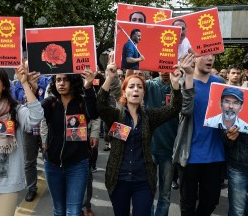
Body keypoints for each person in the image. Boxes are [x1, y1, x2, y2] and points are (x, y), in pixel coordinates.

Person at [96, 62, 183, 216]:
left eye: (140, 87)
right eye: (131, 86)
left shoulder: (150, 117)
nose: (135, 89)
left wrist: (175, 85)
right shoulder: (116, 116)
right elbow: (101, 104)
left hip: (143, 182)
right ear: (124, 91)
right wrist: (109, 78)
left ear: (143, 92)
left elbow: (174, 108)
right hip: (118, 180)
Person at [0, 65, 44, 216]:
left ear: (4, 86)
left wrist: (24, 83)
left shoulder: (15, 110)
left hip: (7, 183)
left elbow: (36, 117)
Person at [173, 54, 225, 216]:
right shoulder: (182, 82)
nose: (210, 58)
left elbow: (229, 115)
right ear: (193, 58)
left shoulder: (220, 83)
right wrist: (188, 76)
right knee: (187, 206)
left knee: (210, 203)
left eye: (212, 55)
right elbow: (185, 110)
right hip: (189, 156)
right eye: (205, 55)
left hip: (215, 155)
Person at [41, 70, 98, 216]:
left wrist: (89, 87)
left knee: (73, 211)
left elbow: (94, 113)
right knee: (59, 211)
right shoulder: (50, 103)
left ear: (73, 81)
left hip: (77, 165)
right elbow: (35, 115)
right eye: (58, 80)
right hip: (53, 165)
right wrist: (30, 87)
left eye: (65, 79)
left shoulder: (82, 102)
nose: (61, 83)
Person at [145, 53, 195, 216]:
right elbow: (125, 88)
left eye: (168, 66)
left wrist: (181, 82)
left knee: (165, 195)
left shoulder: (179, 87)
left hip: (169, 149)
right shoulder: (148, 86)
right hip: (149, 148)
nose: (165, 70)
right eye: (161, 66)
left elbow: (187, 107)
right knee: (148, 192)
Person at [14, 70, 51, 202]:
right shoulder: (17, 86)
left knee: (50, 159)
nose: (29, 73)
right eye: (26, 70)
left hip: (45, 129)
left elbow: (46, 108)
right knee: (29, 162)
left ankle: (54, 187)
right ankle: (31, 188)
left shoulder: (47, 83)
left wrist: (35, 90)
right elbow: (15, 107)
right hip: (27, 131)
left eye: (33, 70)